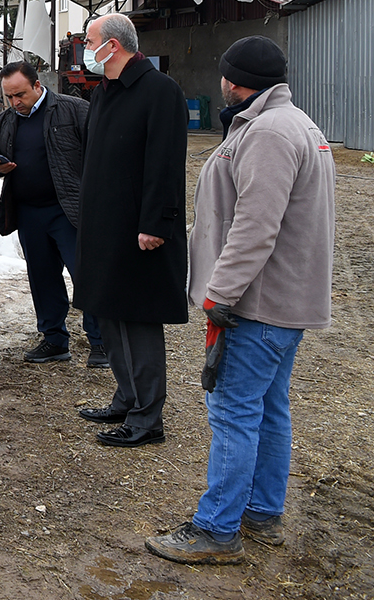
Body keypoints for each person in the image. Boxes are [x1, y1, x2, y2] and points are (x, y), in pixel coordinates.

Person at [145, 36, 335, 564]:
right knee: (268, 410)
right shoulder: (295, 124)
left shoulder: (270, 132)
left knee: (232, 412)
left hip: (256, 304)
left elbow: (256, 226)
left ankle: (216, 529)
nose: (221, 82)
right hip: (281, 302)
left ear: (233, 79)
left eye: (224, 74)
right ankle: (260, 513)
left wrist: (219, 293)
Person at [73, 14, 188, 448]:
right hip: (104, 227)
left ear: (113, 46)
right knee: (109, 311)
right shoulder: (105, 92)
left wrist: (156, 224)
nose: (85, 48)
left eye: (89, 40)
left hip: (141, 231)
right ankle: (126, 396)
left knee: (137, 321)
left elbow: (164, 163)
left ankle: (147, 417)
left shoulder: (160, 90)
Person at [0, 60, 104, 366]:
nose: (15, 102)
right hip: (28, 213)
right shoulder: (8, 119)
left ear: (38, 85)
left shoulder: (73, 109)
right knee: (42, 278)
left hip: (69, 210)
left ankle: (102, 343)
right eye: (9, 97)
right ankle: (54, 340)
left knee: (87, 276)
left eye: (20, 94)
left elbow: (99, 154)